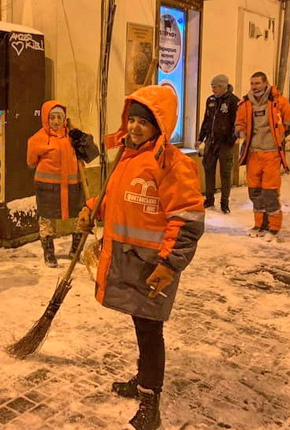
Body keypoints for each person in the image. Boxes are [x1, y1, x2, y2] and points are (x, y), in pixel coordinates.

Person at [77, 86, 204, 430]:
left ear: (158, 126)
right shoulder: (128, 157)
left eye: (143, 122)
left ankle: (151, 401)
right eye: (131, 119)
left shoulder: (173, 164)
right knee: (140, 325)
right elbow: (116, 199)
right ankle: (142, 379)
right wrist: (93, 209)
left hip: (152, 265)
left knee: (150, 331)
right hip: (127, 258)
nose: (134, 127)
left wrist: (168, 264)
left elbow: (187, 220)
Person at [26, 101, 99, 268]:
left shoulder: (72, 136)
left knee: (79, 216)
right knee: (46, 220)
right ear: (45, 118)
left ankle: (75, 250)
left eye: (60, 117)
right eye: (52, 117)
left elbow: (91, 154)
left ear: (65, 118)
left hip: (73, 186)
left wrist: (81, 138)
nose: (56, 121)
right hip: (47, 187)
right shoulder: (38, 139)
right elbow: (31, 161)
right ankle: (49, 253)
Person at [235, 71, 290, 240]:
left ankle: (273, 228)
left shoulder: (278, 102)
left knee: (270, 192)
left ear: (265, 83)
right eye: (252, 84)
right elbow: (239, 122)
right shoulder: (245, 104)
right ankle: (259, 225)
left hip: (271, 154)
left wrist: (280, 136)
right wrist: (239, 130)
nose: (254, 87)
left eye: (257, 83)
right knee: (254, 192)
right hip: (253, 153)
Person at [197, 74, 239, 213]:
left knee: (225, 173)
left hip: (225, 144)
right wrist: (200, 138)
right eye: (212, 87)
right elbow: (206, 120)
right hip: (211, 141)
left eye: (215, 87)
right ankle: (209, 199)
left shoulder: (233, 101)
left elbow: (236, 123)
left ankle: (224, 202)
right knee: (208, 169)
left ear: (223, 86)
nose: (213, 90)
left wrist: (231, 139)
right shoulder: (210, 100)